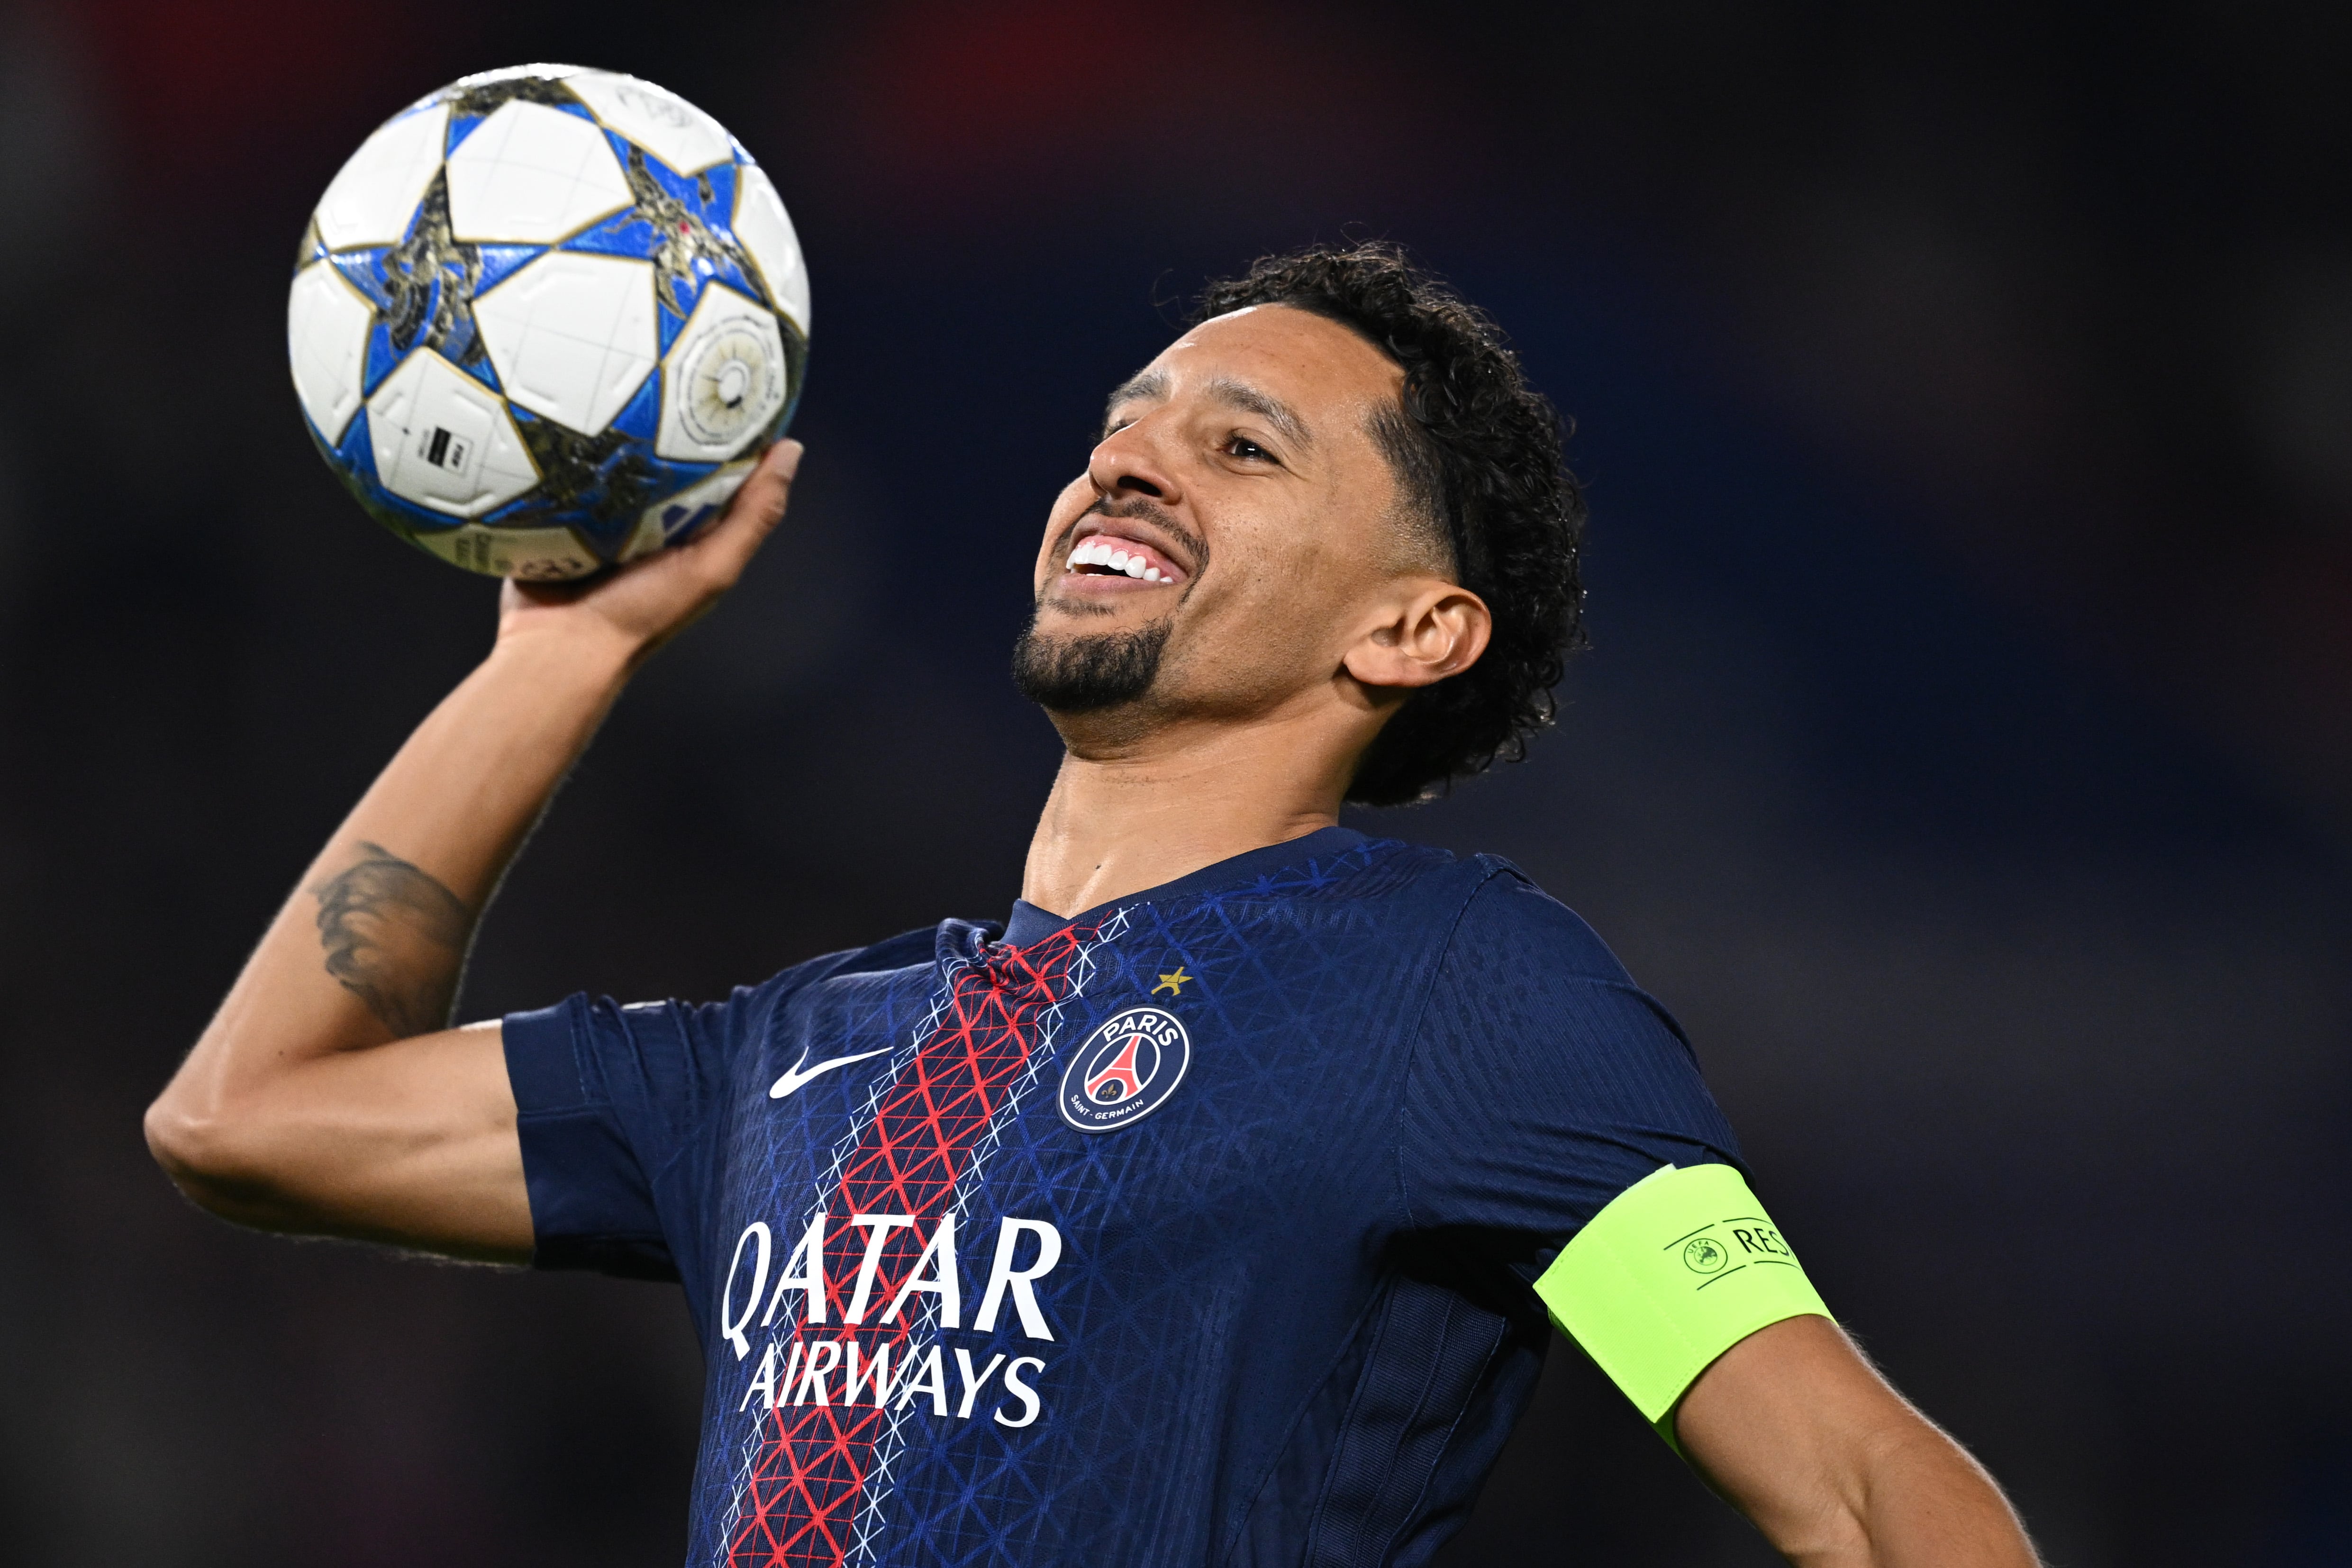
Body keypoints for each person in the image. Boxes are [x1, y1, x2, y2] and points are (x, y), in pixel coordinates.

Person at [147, 243, 2040, 1568]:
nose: (1124, 457)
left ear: (1410, 627)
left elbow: (1860, 1492)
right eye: (1125, 425)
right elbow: (247, 1122)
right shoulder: (793, 1059)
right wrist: (552, 666)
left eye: (1242, 446)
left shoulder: (1462, 1000)